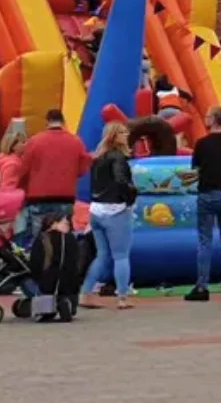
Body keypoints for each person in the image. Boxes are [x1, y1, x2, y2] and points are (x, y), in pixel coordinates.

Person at [185, 105, 221, 302]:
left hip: (208, 193)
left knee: (205, 239)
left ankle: (202, 286)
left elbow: (196, 167)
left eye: (208, 116)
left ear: (213, 119)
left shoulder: (202, 144)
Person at [11, 109, 92, 247]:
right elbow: (82, 169)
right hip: (65, 198)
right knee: (64, 240)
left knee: (39, 241)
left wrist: (22, 189)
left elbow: (23, 171)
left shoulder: (34, 141)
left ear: (47, 122)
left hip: (38, 198)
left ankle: (40, 265)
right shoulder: (76, 141)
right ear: (63, 122)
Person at [79, 122, 137, 310]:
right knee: (121, 256)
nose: (127, 134)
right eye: (123, 132)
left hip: (96, 209)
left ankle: (85, 293)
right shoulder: (118, 158)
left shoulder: (98, 158)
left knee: (102, 255)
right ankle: (122, 297)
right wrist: (130, 198)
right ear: (115, 136)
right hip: (116, 210)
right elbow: (122, 181)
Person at [0, 128, 27, 193]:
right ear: (13, 147)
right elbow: (6, 189)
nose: (26, 144)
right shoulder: (12, 164)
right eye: (23, 142)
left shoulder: (7, 161)